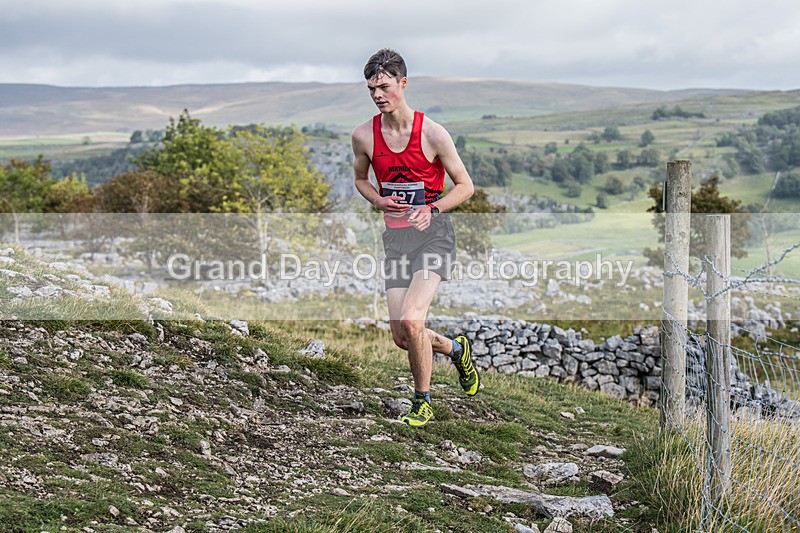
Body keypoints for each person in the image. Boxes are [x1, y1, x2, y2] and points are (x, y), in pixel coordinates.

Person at [351, 48, 480, 427]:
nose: (377, 95)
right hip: (396, 241)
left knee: (412, 319)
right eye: (371, 89)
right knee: (402, 336)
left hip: (433, 236)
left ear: (403, 83)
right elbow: (360, 179)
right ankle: (456, 349)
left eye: (384, 87)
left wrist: (432, 208)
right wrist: (378, 199)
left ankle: (421, 402)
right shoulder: (363, 135)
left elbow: (466, 186)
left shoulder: (433, 133)